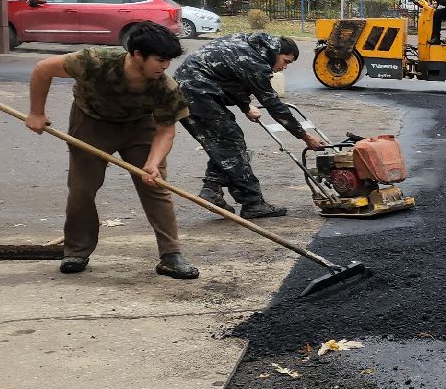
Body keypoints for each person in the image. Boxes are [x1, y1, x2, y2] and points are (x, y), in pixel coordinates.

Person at [23, 20, 199, 279]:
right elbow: (43, 69)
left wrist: (153, 162)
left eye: (168, 61)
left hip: (139, 128)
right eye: (160, 60)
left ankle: (171, 255)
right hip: (91, 123)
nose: (165, 66)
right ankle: (77, 251)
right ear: (137, 54)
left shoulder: (165, 87)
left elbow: (166, 131)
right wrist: (36, 112)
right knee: (82, 189)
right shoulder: (94, 61)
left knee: (156, 186)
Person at [175, 32, 328, 219]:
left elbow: (229, 75)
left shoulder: (247, 42)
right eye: (285, 61)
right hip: (196, 92)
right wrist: (305, 136)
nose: (283, 67)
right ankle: (252, 203)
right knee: (231, 142)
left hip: (190, 88)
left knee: (225, 143)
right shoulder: (255, 62)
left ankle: (212, 188)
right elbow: (274, 105)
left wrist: (245, 106)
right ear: (277, 52)